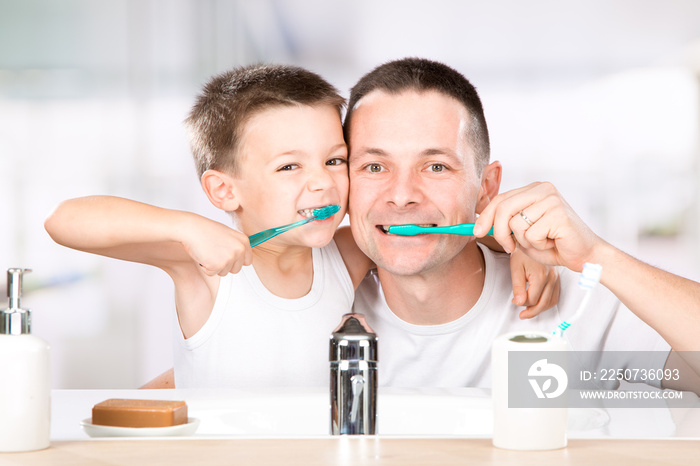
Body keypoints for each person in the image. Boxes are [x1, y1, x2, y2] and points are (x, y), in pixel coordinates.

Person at [44, 64, 559, 389]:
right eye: (290, 167)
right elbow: (66, 221)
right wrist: (184, 228)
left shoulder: (342, 255)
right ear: (225, 191)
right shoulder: (204, 266)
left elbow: (427, 231)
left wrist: (519, 247)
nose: (321, 185)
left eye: (335, 161)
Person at [346, 57, 700, 393]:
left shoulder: (574, 301)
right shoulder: (325, 300)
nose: (402, 195)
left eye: (436, 167)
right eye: (374, 167)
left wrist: (596, 254)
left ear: (486, 188)